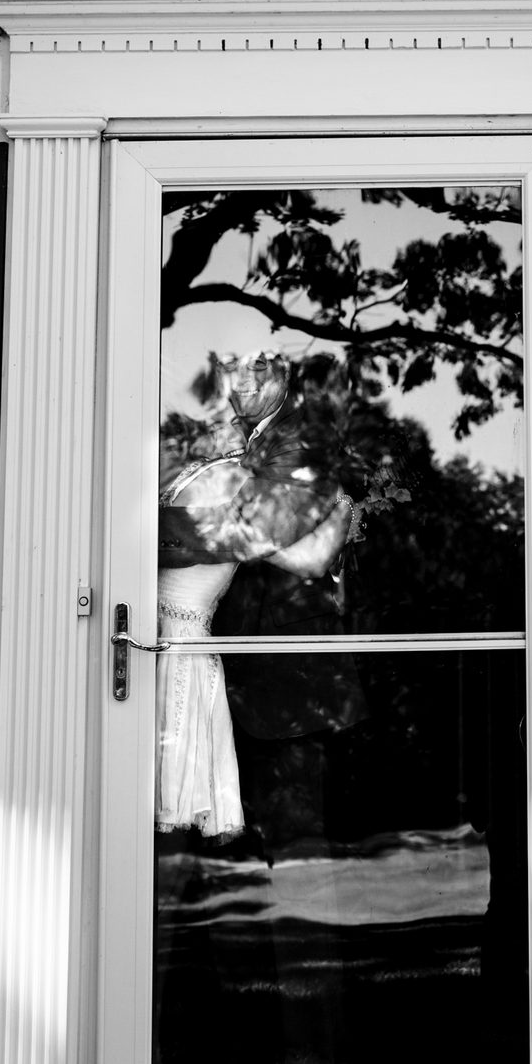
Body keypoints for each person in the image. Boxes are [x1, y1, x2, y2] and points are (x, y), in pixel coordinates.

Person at [154, 350, 352, 839]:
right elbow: (298, 552)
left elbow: (289, 548)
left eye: (259, 368)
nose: (241, 383)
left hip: (250, 657)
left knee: (289, 825)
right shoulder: (216, 471)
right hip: (183, 640)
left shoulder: (283, 453)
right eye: (233, 371)